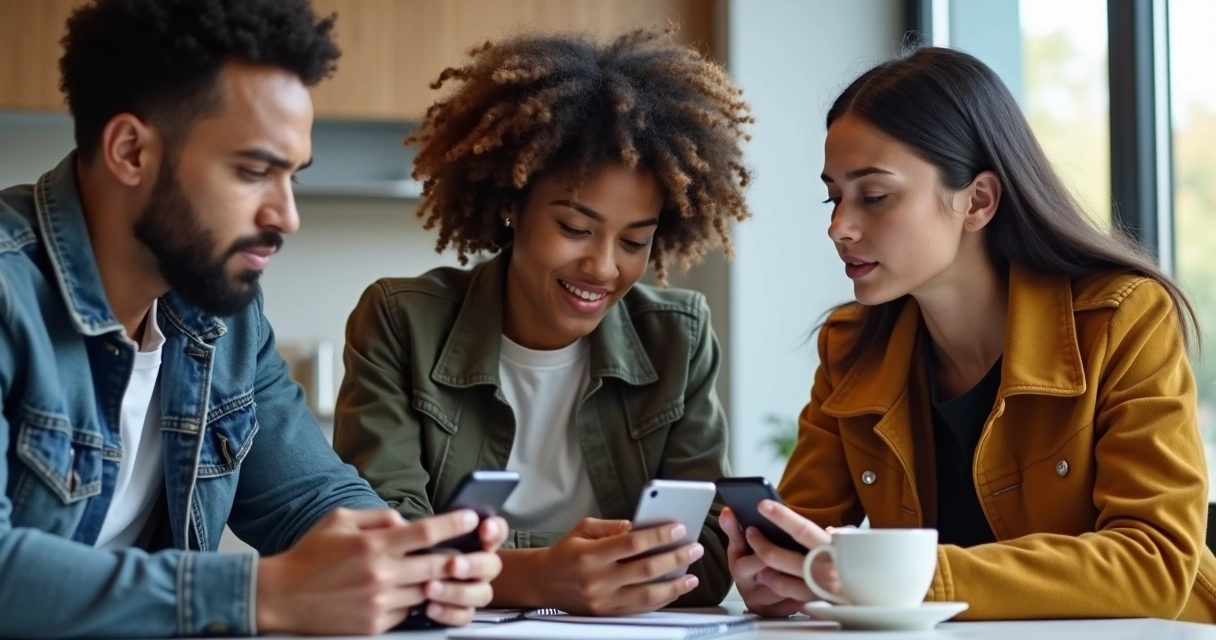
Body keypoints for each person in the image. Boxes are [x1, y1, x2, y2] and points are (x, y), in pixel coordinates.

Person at [0, 1, 505, 637]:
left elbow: (309, 497)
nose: (287, 216)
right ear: (130, 150)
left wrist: (406, 561)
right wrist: (263, 592)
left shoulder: (220, 311)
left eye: (292, 177)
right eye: (253, 172)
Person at [722, 46, 1216, 622]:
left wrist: (917, 578)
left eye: (874, 197)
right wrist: (776, 574)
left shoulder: (1122, 318)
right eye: (834, 197)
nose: (839, 227)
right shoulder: (852, 346)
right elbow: (803, 537)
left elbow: (1156, 563)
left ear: (977, 200)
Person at [333, 27, 752, 615]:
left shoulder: (678, 337)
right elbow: (386, 540)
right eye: (575, 229)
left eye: (634, 240)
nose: (603, 267)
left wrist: (522, 566)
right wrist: (538, 575)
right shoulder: (401, 321)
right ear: (512, 207)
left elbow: (705, 562)